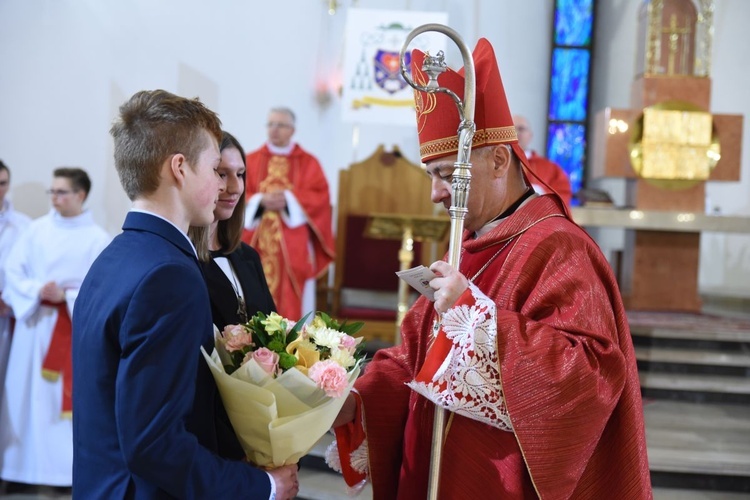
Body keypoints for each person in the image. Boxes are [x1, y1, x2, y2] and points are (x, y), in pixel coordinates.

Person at [330, 39, 651, 499]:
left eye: (446, 174)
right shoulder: (471, 244)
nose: (436, 194)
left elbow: (588, 376)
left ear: (499, 159)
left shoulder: (559, 248)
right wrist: (355, 399)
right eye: (433, 177)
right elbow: (419, 355)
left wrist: (478, 320)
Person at [72, 90, 298, 499]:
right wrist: (261, 486)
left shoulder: (115, 255)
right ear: (179, 168)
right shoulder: (170, 275)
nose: (224, 184)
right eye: (215, 168)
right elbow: (155, 445)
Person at [0, 167, 109, 490]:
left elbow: (102, 290)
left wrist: (68, 296)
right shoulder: (35, 231)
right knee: (26, 399)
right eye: (52, 191)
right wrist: (36, 290)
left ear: (81, 195)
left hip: (70, 330)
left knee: (62, 407)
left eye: (61, 192)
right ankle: (23, 470)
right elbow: (13, 273)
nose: (54, 198)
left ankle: (64, 475)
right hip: (33, 330)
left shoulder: (97, 239)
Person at [189, 131, 277, 461]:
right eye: (222, 174)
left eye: (240, 175)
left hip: (254, 417)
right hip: (205, 421)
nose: (235, 188)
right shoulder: (183, 261)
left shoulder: (248, 257)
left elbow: (272, 330)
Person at [242, 107, 335, 321]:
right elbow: (237, 192)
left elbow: (320, 197)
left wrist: (290, 200)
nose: (274, 130)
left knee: (292, 300)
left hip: (293, 243)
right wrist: (259, 200)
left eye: (281, 125)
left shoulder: (308, 162)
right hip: (256, 238)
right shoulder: (251, 160)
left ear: (292, 130)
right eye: (271, 124)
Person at [0, 160, 31, 423]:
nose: (0, 189)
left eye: (3, 183)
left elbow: (27, 271)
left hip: (7, 314)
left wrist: (10, 299)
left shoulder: (24, 226)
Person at [512, 114, 573, 206]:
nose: (516, 133)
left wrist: (542, 193)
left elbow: (562, 198)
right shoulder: (496, 165)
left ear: (530, 136)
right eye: (512, 129)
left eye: (521, 129)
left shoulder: (552, 169)